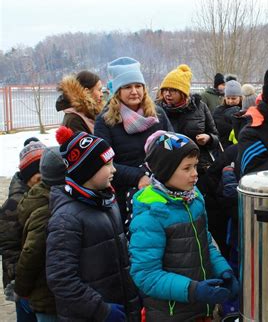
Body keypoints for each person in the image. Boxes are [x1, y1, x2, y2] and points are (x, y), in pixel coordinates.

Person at [129, 130, 238, 321]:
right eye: (187, 168)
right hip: (171, 314)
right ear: (166, 171)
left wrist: (223, 269)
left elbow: (206, 242)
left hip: (202, 309)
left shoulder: (194, 199)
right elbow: (146, 276)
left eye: (195, 166)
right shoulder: (151, 216)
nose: (195, 174)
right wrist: (193, 290)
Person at [46, 127, 141, 321]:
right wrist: (101, 310)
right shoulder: (66, 218)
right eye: (108, 164)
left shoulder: (107, 201)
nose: (114, 169)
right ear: (86, 170)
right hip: (93, 314)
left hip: (122, 305)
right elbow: (61, 279)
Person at [94, 57, 172, 224]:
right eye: (127, 87)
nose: (134, 91)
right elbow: (104, 163)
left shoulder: (158, 114)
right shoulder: (105, 121)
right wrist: (138, 177)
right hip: (126, 195)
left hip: (163, 188)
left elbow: (174, 148)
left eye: (138, 86)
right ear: (117, 91)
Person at [15, 147, 66, 321]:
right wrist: (21, 290)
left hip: (53, 294)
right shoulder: (47, 210)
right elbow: (30, 254)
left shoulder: (40, 198)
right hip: (48, 299)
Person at [0, 139, 45, 322]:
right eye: (38, 173)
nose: (43, 176)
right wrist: (20, 284)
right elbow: (9, 250)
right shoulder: (12, 206)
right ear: (28, 176)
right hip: (22, 285)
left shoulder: (43, 192)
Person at [156, 64, 219, 177]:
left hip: (198, 167)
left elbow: (215, 136)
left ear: (183, 92)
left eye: (173, 90)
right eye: (165, 90)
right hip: (169, 168)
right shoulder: (156, 110)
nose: (167, 94)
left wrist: (209, 138)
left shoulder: (200, 107)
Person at [213, 80, 243, 148]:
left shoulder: (245, 111)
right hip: (223, 148)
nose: (230, 101)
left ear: (240, 97)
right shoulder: (218, 111)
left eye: (233, 98)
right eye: (228, 98)